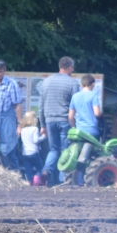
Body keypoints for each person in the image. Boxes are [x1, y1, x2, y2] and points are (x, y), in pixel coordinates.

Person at [41, 57, 80, 185]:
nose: (73, 70)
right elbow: (76, 105)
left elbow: (41, 105)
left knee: (53, 150)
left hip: (49, 120)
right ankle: (62, 179)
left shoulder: (46, 82)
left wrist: (42, 125)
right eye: (72, 68)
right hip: (64, 120)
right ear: (69, 67)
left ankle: (46, 170)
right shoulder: (72, 83)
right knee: (66, 150)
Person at [69, 74, 103, 186]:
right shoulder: (93, 95)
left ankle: (78, 180)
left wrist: (74, 127)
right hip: (92, 131)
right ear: (93, 84)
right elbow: (97, 113)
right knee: (95, 156)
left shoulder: (75, 96)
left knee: (81, 156)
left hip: (80, 132)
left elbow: (70, 116)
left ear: (81, 84)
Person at [19, 111, 44, 185]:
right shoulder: (35, 128)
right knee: (40, 168)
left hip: (25, 153)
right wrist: (43, 137)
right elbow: (36, 140)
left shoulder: (23, 129)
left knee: (28, 169)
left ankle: (28, 182)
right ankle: (36, 180)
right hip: (34, 152)